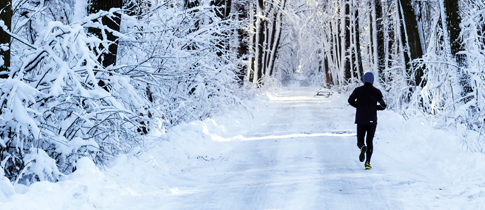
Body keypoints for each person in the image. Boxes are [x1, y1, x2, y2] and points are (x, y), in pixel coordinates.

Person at [348, 72, 386, 170]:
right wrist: (374, 107)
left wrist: (359, 106)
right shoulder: (377, 92)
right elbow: (383, 105)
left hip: (361, 119)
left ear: (364, 79)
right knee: (370, 141)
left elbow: (350, 100)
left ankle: (362, 147)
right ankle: (368, 162)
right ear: (372, 80)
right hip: (372, 120)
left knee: (360, 140)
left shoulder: (358, 90)